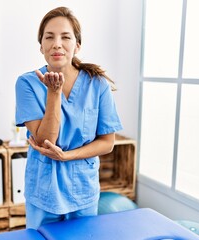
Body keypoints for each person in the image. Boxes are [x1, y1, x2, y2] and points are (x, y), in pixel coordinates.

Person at [15, 7, 123, 230]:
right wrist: (54, 92)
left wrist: (68, 156)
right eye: (49, 37)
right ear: (41, 46)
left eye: (65, 37)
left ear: (77, 45)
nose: (57, 44)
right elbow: (47, 141)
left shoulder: (97, 84)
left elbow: (107, 142)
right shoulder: (27, 84)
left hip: (82, 190)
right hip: (44, 191)